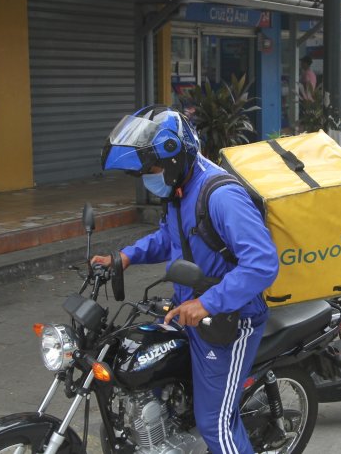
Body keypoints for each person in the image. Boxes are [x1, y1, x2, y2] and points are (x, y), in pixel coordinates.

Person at [91, 106, 278, 454]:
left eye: (152, 168)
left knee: (215, 424)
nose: (148, 175)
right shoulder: (179, 189)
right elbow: (171, 237)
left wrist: (208, 302)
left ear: (176, 157)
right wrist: (126, 256)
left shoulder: (221, 196)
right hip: (189, 310)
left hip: (231, 319)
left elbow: (263, 263)